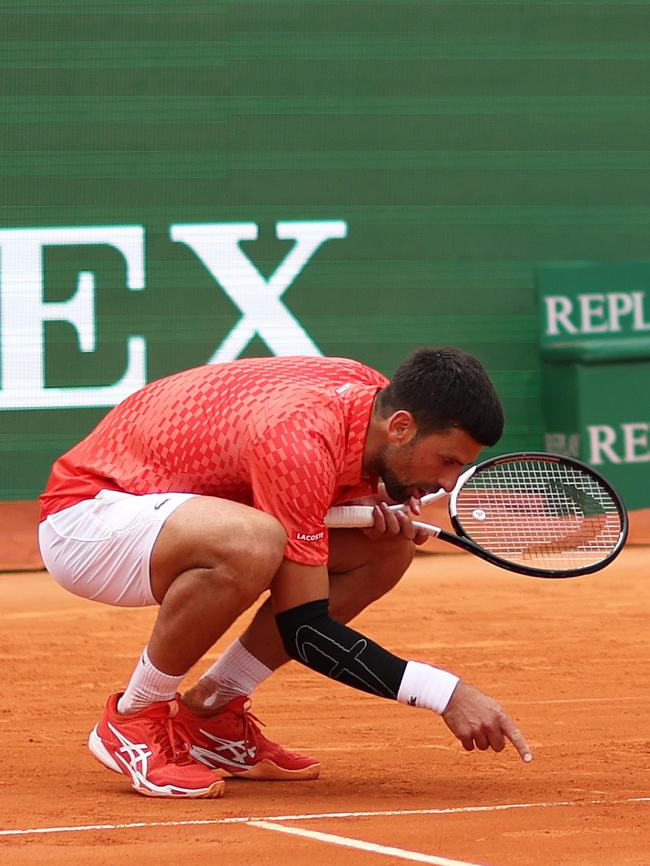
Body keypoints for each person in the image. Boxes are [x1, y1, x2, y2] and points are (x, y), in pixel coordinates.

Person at [38, 347, 533, 800]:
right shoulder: (298, 439)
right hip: (90, 517)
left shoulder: (368, 397)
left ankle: (211, 716)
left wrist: (370, 500)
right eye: (446, 461)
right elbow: (305, 630)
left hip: (171, 511)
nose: (447, 483)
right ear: (401, 427)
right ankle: (134, 716)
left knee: (384, 550)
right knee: (253, 543)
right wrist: (445, 694)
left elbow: (324, 485)